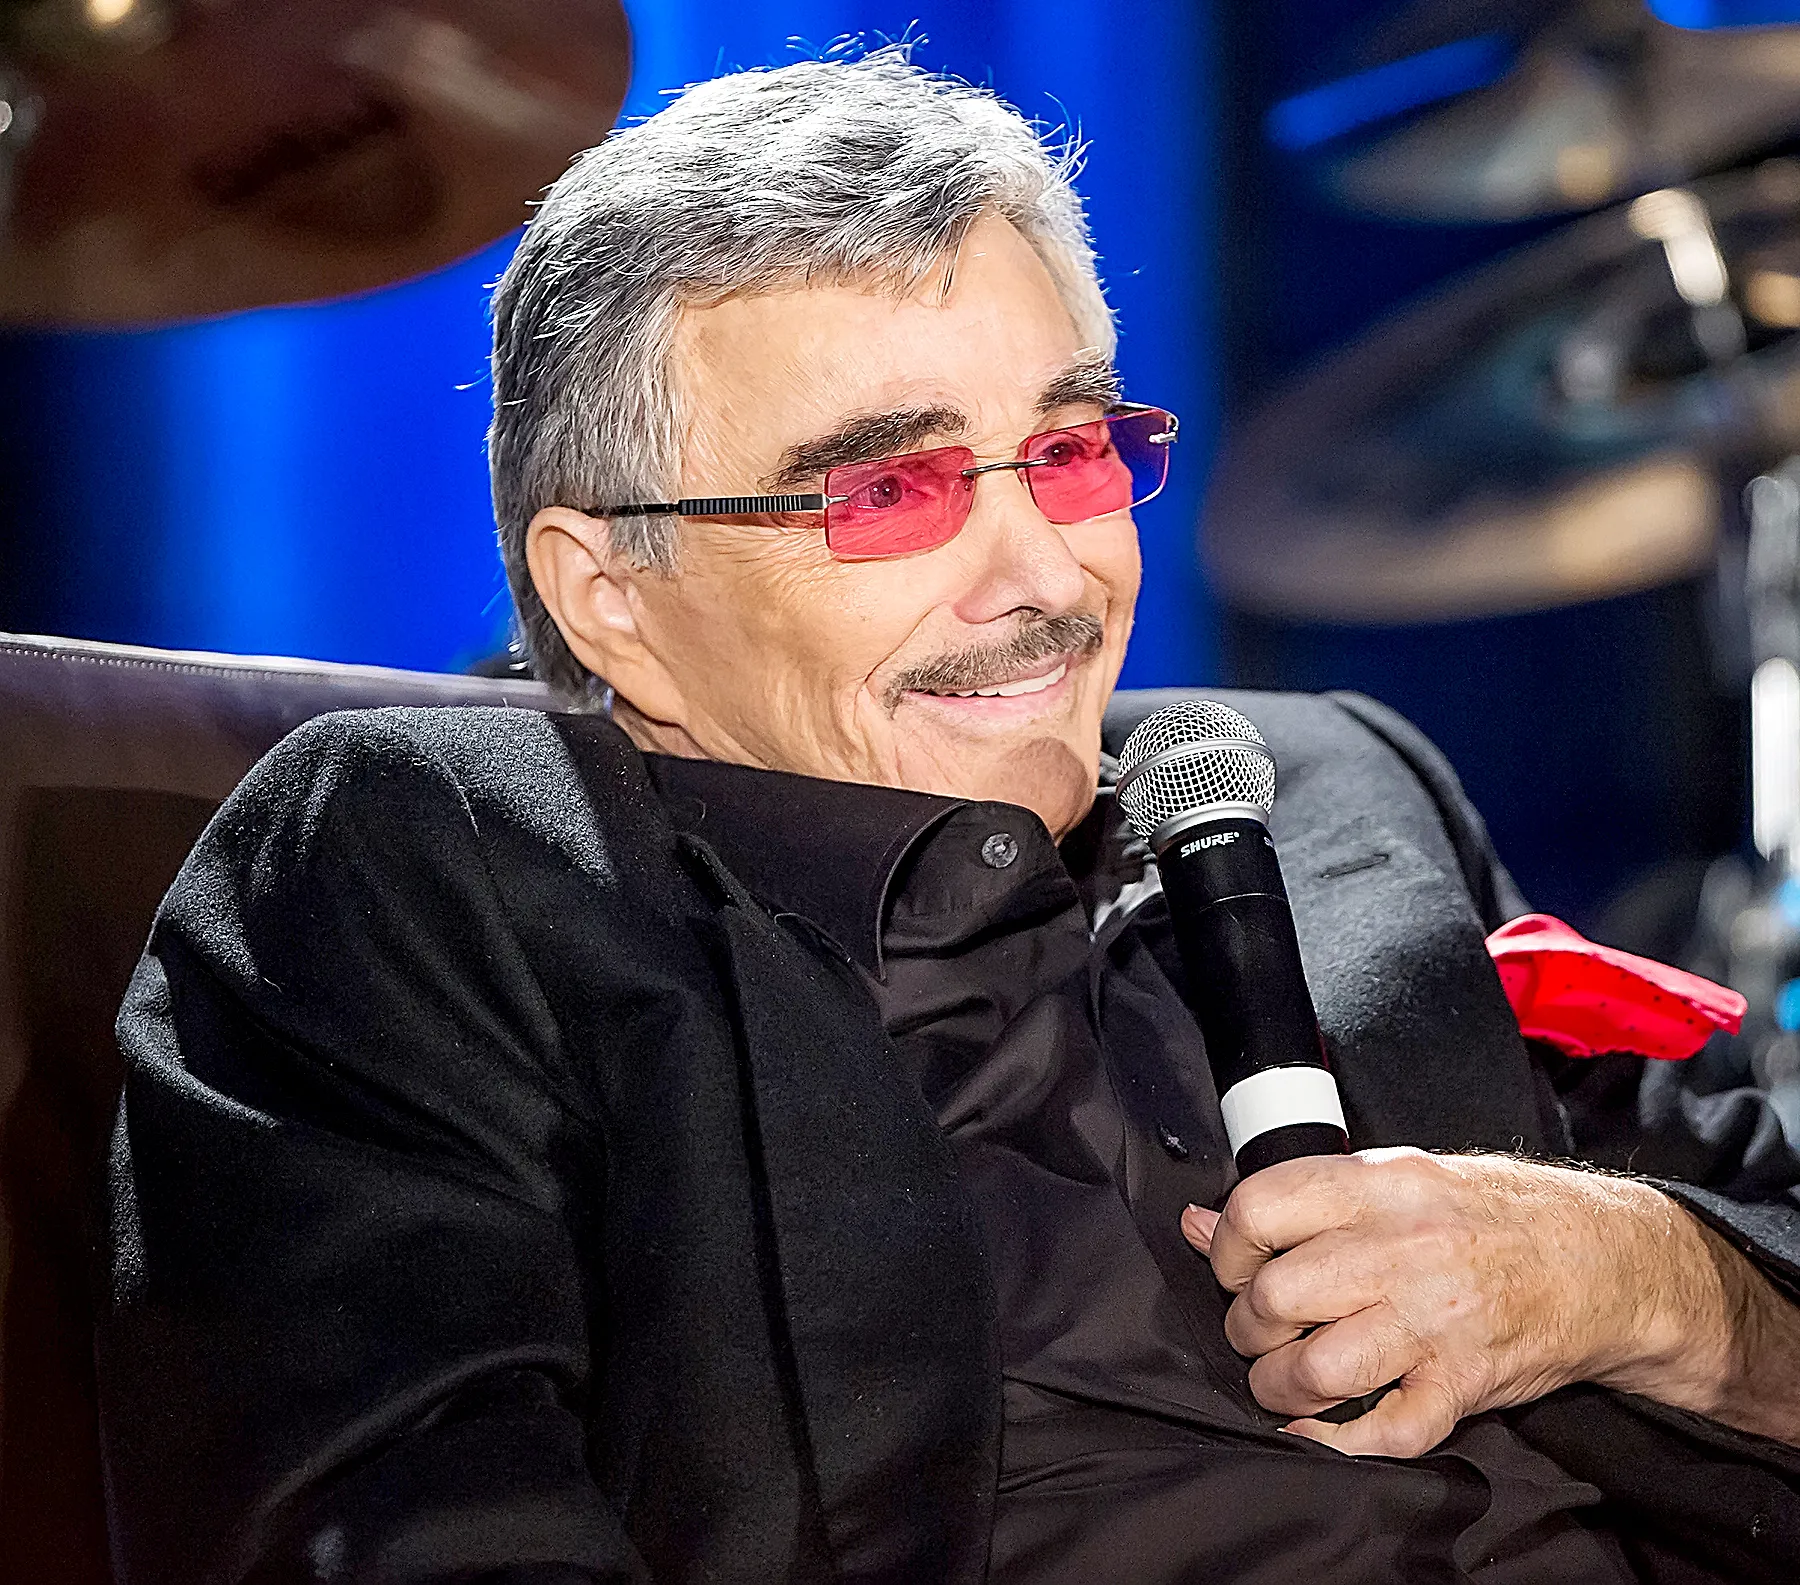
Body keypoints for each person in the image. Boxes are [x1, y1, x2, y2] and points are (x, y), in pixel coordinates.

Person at [98, 49, 1800, 1585]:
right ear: (611, 591)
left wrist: (1627, 1277)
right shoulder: (440, 864)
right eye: (887, 490)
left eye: (1069, 452)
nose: (1046, 576)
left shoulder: (1321, 782)